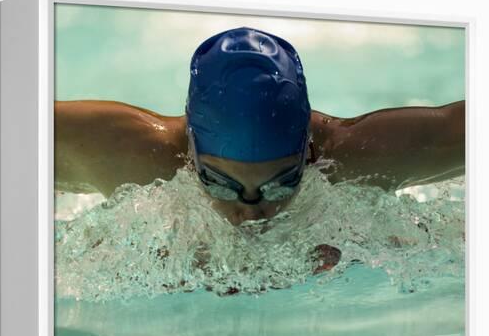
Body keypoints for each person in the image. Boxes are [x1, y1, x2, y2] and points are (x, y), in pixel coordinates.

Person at [54, 26, 465, 229]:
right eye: (219, 183)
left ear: (308, 152)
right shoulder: (130, 156)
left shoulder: (359, 160)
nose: (250, 214)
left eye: (281, 184)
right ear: (190, 149)